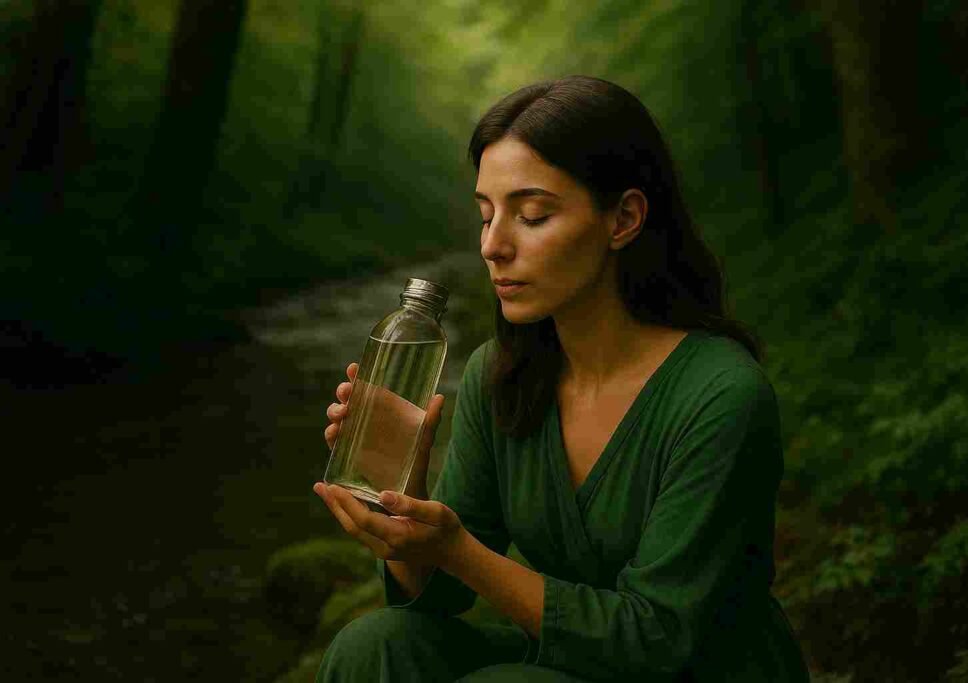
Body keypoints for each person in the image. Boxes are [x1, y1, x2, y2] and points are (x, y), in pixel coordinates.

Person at [312, 75, 811, 682]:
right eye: (486, 214)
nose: (493, 246)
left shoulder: (721, 394)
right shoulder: (499, 375)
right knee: (376, 646)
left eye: (532, 215)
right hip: (571, 662)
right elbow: (440, 596)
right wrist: (404, 511)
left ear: (623, 218)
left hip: (696, 671)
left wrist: (457, 548)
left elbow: (660, 641)